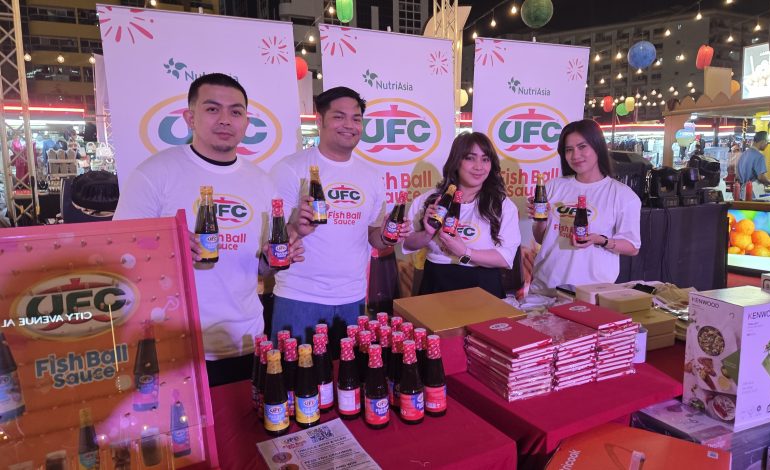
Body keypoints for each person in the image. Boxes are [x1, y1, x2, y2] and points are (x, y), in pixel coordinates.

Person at [114, 73, 302, 386]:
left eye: (235, 112)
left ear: (246, 122)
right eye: (213, 109)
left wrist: (275, 259)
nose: (225, 119)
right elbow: (118, 252)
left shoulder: (262, 183)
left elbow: (259, 267)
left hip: (246, 340)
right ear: (190, 118)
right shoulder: (155, 174)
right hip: (175, 344)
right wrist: (167, 249)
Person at [270, 86, 411, 345]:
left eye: (356, 118)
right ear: (319, 120)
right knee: (294, 371)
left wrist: (387, 236)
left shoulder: (371, 176)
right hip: (299, 297)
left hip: (353, 298)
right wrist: (296, 227)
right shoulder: (290, 169)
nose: (349, 125)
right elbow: (273, 238)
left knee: (348, 371)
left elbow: (373, 236)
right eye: (339, 116)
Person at [528, 119, 641, 299]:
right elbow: (542, 238)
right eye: (569, 150)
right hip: (545, 289)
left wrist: (600, 240)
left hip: (590, 293)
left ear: (597, 147)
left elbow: (632, 247)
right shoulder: (553, 187)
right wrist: (540, 219)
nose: (575, 155)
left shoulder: (622, 195)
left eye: (582, 147)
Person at [402, 132, 521, 298]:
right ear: (456, 161)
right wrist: (427, 233)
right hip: (436, 282)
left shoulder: (502, 205)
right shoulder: (429, 200)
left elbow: (505, 258)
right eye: (470, 158)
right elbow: (408, 243)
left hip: (484, 285)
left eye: (485, 159)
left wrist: (465, 251)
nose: (479, 166)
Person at [736, 131, 770, 199]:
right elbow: (760, 177)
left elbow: (738, 175)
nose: (767, 145)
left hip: (742, 191)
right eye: (767, 143)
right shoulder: (759, 156)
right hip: (754, 191)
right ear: (763, 141)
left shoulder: (743, 154)